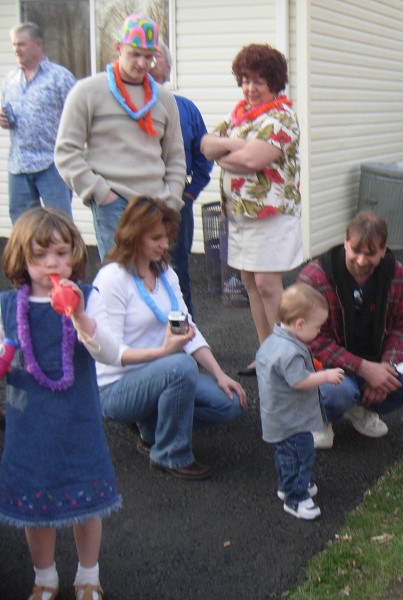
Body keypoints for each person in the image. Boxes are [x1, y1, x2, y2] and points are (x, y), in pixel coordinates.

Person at [0, 208, 122, 600]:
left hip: (76, 419)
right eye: (40, 255)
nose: (52, 263)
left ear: (74, 255)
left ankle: (88, 575)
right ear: (21, 259)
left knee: (85, 500)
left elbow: (109, 353)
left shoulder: (87, 297)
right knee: (35, 506)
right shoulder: (7, 306)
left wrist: (80, 315)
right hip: (29, 422)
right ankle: (45, 578)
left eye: (61, 253)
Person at [92, 195, 247, 480]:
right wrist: (163, 353)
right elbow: (109, 351)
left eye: (167, 237)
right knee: (181, 367)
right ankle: (170, 454)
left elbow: (188, 329)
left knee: (231, 403)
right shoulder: (112, 278)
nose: (165, 245)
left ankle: (152, 430)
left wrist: (219, 374)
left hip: (161, 375)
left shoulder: (164, 272)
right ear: (134, 236)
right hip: (116, 388)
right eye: (156, 238)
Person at [201, 43, 302, 377]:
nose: (250, 88)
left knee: (268, 285)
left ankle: (287, 356)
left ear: (274, 82)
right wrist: (235, 145)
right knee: (249, 282)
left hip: (271, 213)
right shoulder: (239, 115)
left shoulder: (282, 117)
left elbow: (252, 160)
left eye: (258, 81)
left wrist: (229, 153)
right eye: (245, 80)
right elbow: (206, 146)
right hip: (240, 213)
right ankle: (266, 352)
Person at [55, 14, 185, 260]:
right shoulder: (87, 92)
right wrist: (100, 193)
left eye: (149, 56)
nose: (142, 63)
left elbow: (176, 157)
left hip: (156, 202)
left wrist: (171, 200)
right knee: (119, 272)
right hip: (112, 202)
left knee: (156, 272)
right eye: (134, 54)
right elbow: (66, 152)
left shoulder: (164, 99)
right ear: (118, 48)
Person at [296, 212, 403, 450]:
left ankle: (360, 408)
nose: (361, 261)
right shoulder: (314, 279)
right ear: (345, 242)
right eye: (355, 251)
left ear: (383, 250)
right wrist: (364, 369)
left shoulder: (399, 276)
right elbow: (312, 341)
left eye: (370, 254)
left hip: (376, 360)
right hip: (325, 367)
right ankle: (319, 418)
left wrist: (386, 368)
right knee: (337, 393)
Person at [256, 283, 344, 520]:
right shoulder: (290, 352)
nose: (319, 331)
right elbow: (299, 381)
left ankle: (287, 485)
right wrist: (325, 376)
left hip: (278, 416)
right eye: (317, 327)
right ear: (300, 324)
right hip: (292, 421)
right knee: (300, 456)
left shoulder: (274, 341)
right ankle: (295, 498)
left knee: (286, 455)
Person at [149, 42, 214, 318]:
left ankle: (187, 329)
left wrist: (189, 193)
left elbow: (204, 155)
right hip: (132, 201)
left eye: (155, 55)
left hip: (176, 201)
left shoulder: (185, 109)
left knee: (175, 268)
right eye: (141, 54)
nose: (148, 61)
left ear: (168, 68)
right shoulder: (122, 110)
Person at [1, 22, 75, 223]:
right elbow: (6, 111)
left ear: (38, 44)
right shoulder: (10, 80)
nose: (16, 49)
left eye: (21, 44)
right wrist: (3, 120)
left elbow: (78, 117)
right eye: (14, 44)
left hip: (52, 163)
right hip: (19, 164)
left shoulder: (60, 77)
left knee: (59, 223)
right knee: (23, 227)